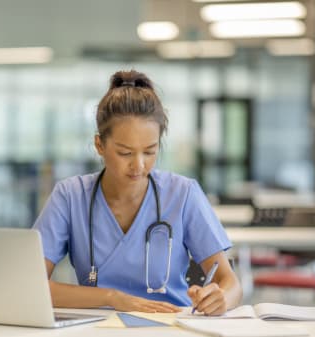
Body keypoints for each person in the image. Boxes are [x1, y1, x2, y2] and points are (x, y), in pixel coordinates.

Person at [33, 70, 242, 315]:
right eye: (125, 153)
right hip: (95, 330)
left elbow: (231, 283)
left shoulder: (183, 194)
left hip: (171, 327)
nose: (139, 165)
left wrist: (220, 299)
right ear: (99, 145)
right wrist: (112, 297)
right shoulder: (70, 197)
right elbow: (32, 286)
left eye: (150, 151)